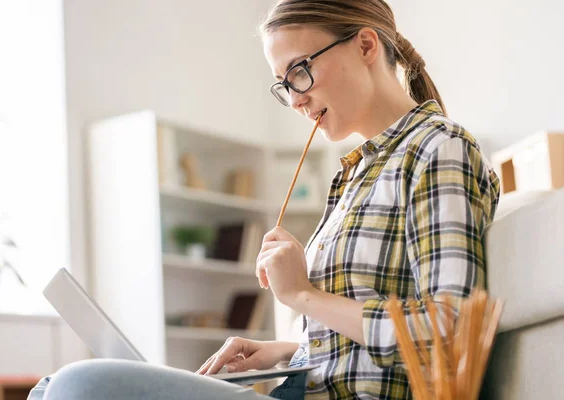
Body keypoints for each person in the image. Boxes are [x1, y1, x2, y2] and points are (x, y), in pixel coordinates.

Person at [29, 0, 500, 399]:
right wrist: (285, 350)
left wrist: (302, 295)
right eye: (283, 84)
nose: (295, 99)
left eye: (299, 71)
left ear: (365, 45)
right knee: (51, 385)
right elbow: (356, 335)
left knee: (82, 383)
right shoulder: (358, 172)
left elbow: (450, 333)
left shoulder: (439, 148)